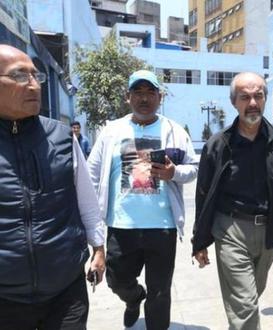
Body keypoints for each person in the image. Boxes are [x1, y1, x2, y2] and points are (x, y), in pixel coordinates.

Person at [0, 45, 105, 329]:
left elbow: (86, 199)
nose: (34, 84)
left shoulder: (60, 137)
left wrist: (98, 248)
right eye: (20, 76)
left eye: (36, 76)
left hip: (65, 289)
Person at [192, 72, 273, 330]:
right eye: (245, 97)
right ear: (234, 102)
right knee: (245, 305)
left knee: (250, 299)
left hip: (270, 233)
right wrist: (200, 241)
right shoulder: (218, 145)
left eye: (258, 96)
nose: (252, 102)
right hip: (231, 230)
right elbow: (203, 194)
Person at [87, 70, 197, 329]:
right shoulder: (111, 131)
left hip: (162, 227)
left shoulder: (175, 131)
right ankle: (134, 297)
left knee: (160, 293)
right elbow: (91, 176)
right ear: (128, 97)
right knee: (116, 280)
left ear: (160, 97)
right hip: (121, 226)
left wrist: (174, 172)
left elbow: (193, 168)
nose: (144, 98)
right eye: (138, 92)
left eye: (150, 93)